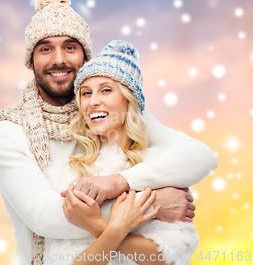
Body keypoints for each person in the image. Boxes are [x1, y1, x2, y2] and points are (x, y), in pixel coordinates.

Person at [0, 0, 217, 265]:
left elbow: (200, 157)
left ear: (85, 56)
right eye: (46, 49)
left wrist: (119, 183)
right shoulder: (7, 130)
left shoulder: (110, 113)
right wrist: (152, 203)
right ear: (30, 61)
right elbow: (44, 216)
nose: (59, 59)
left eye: (70, 47)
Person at [43, 40, 200, 265]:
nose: (93, 101)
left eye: (106, 90)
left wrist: (97, 226)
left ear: (129, 100)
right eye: (86, 93)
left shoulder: (161, 168)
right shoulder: (68, 173)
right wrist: (116, 228)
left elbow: (170, 258)